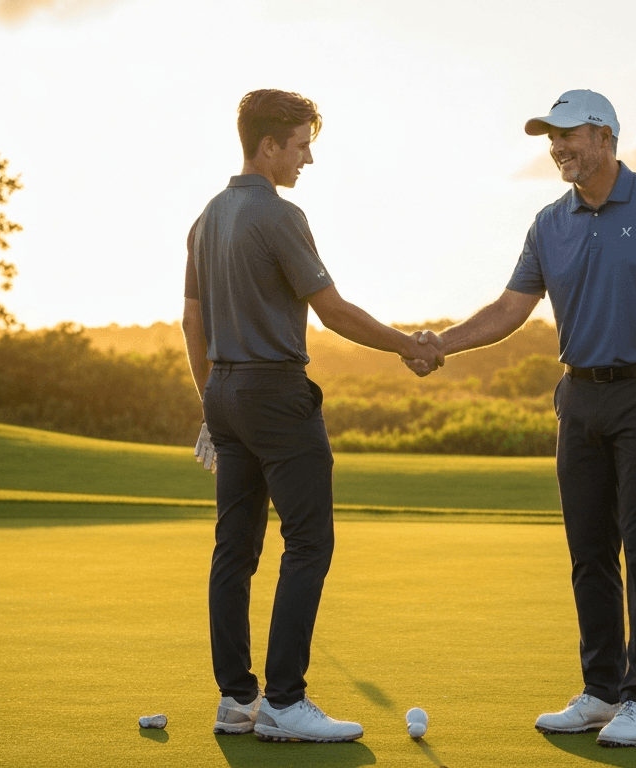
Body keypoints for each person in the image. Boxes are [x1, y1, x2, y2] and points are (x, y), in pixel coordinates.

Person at [410, 89, 636, 747]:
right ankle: (601, 691)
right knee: (588, 552)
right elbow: (508, 310)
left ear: (605, 136)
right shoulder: (548, 222)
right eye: (550, 138)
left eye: (567, 135)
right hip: (578, 398)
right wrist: (442, 342)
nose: (557, 148)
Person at [181, 88, 442, 743]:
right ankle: (285, 700)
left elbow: (191, 319)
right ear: (269, 146)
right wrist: (409, 345)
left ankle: (237, 700)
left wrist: (212, 401)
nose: (308, 160)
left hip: (225, 392)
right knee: (308, 542)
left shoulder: (207, 216)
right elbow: (333, 311)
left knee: (234, 549)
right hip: (275, 395)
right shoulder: (280, 215)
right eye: (301, 146)